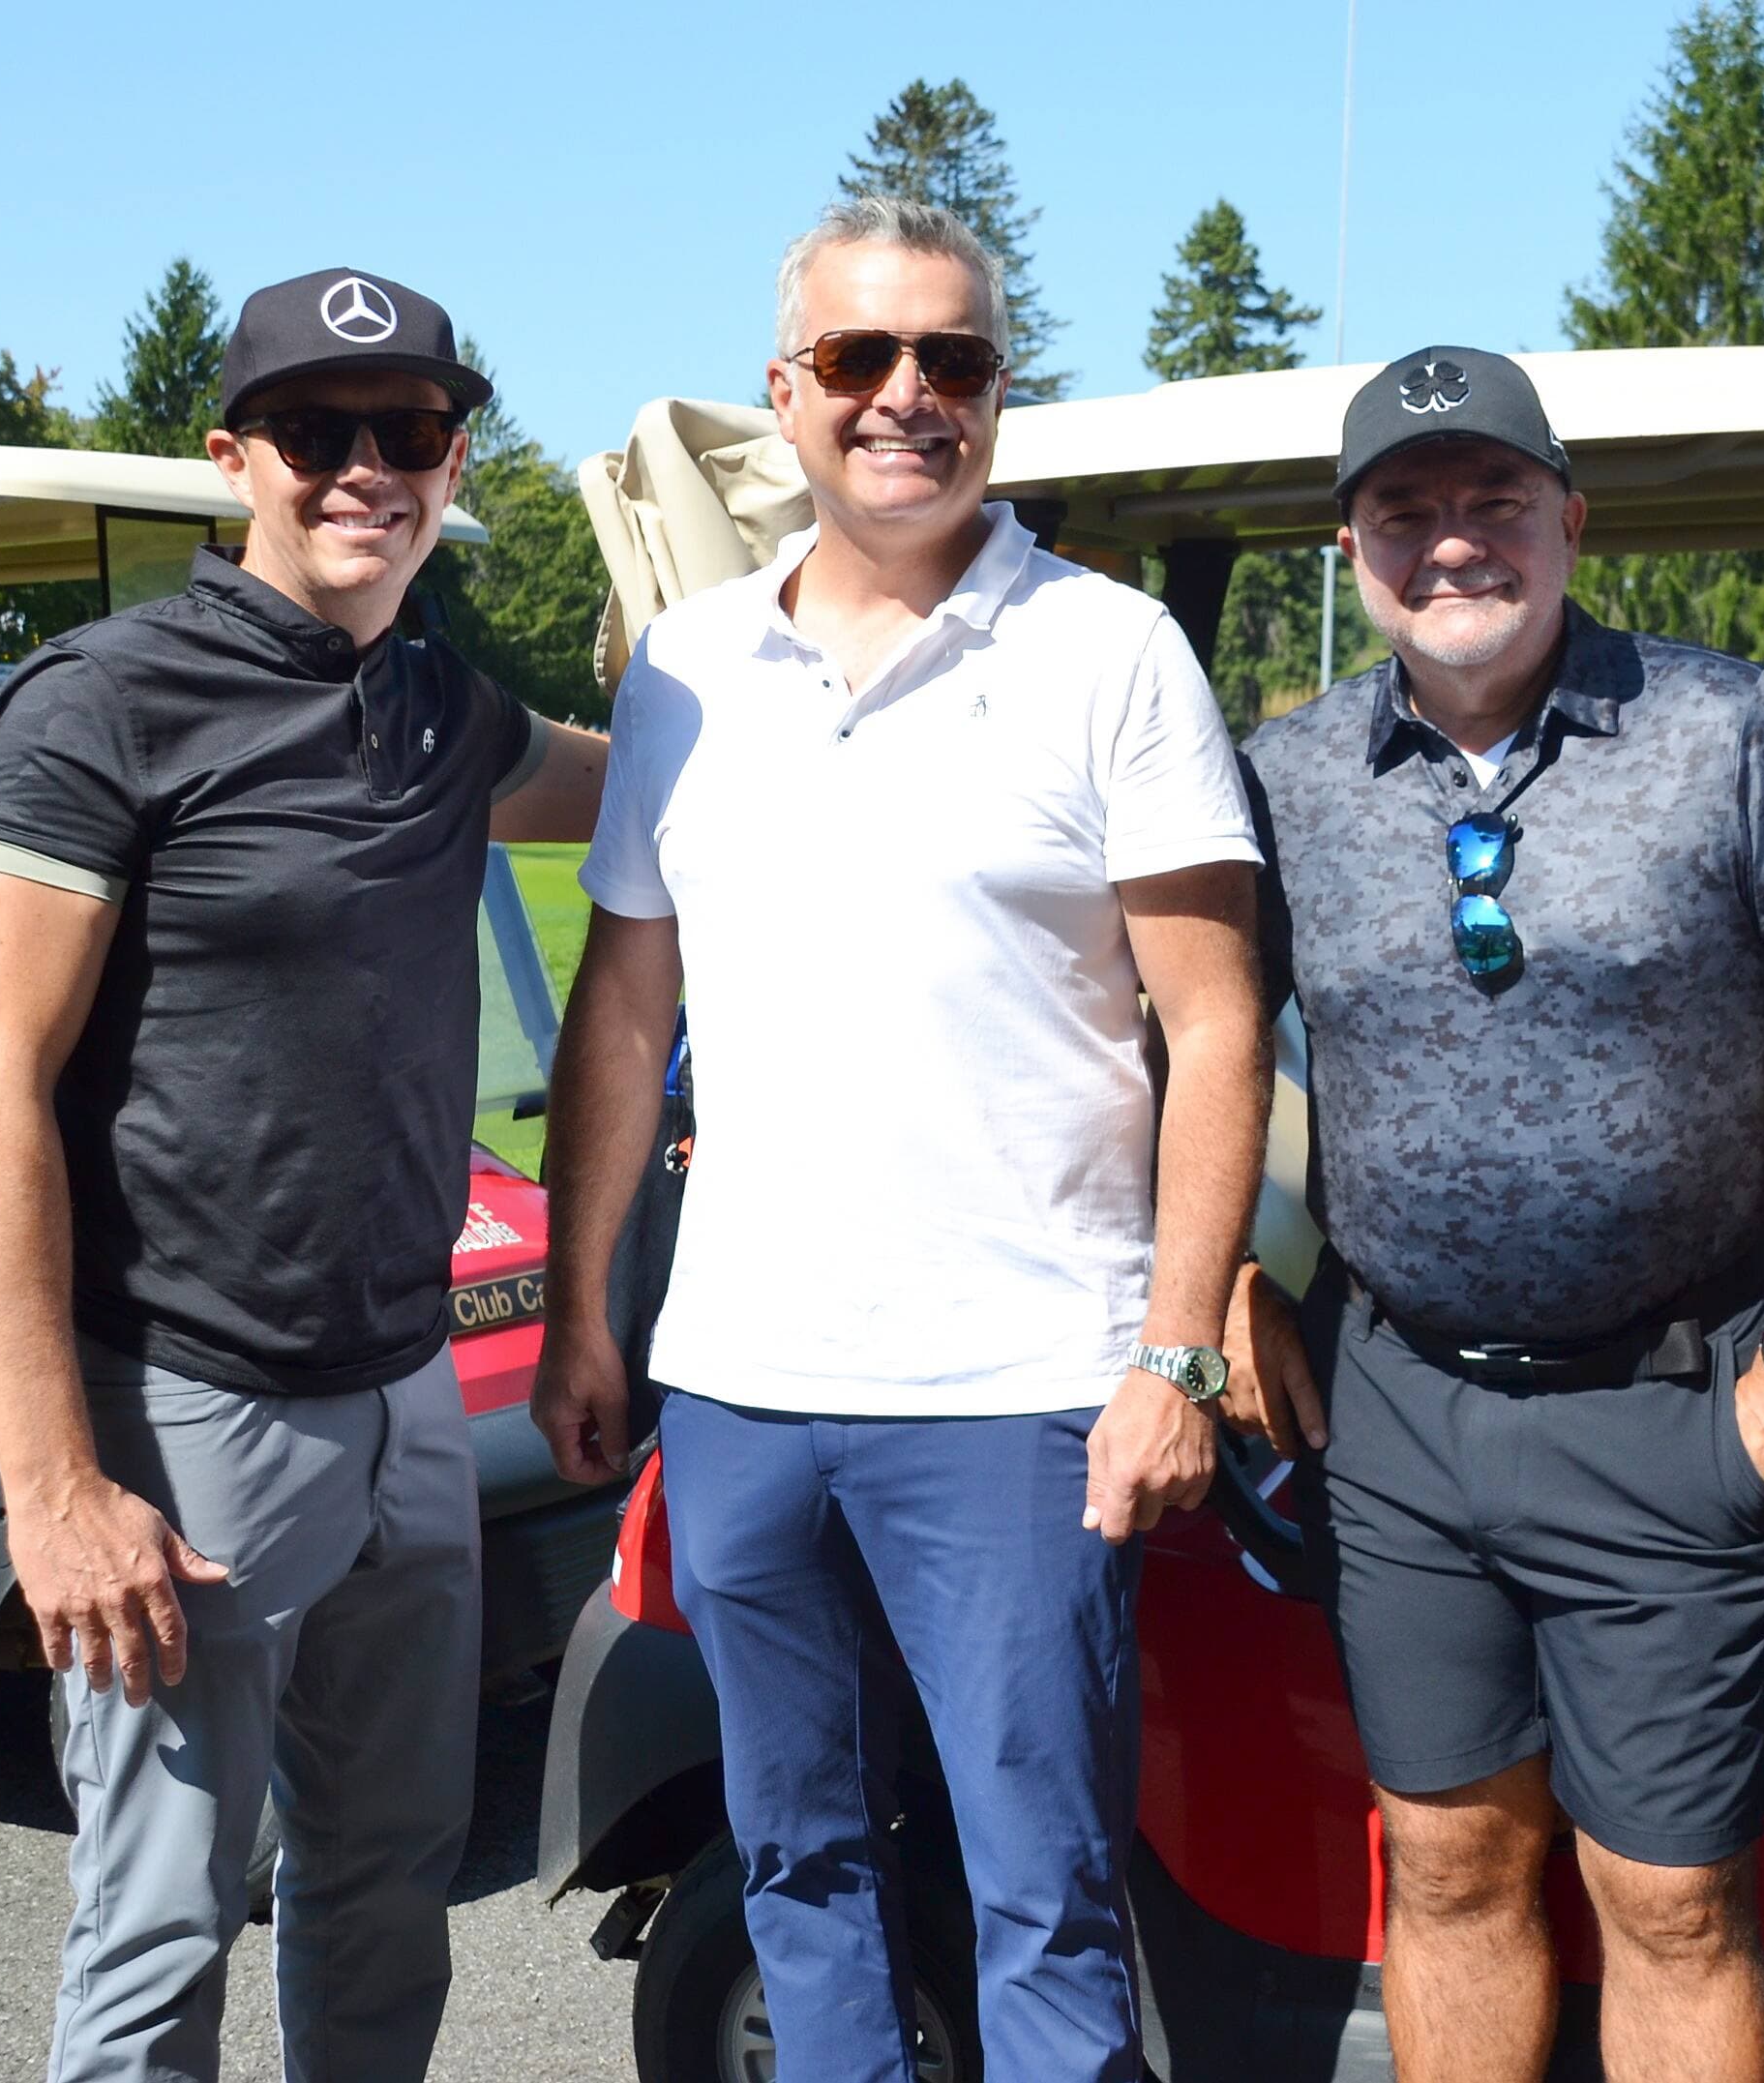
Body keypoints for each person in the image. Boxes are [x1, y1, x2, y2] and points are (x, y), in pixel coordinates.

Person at [530, 196, 1266, 2083]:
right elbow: (626, 1013)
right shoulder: (687, 674)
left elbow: (1214, 1020)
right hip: (747, 1390)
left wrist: (1175, 1349)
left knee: (1043, 1888)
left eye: (953, 359)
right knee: (797, 1860)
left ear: (999, 396)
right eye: (861, 359)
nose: (906, 396)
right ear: (788, 396)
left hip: (1019, 1395)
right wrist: (586, 1320)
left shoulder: (1109, 656)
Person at [0, 265, 607, 2083]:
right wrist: (53, 1484)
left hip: (402, 1388)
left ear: (453, 460)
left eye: (408, 434)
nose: (365, 470)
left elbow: (627, 789)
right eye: (318, 433)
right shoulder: (106, 703)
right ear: (235, 456)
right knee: (162, 1921)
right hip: (187, 1400)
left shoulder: (430, 703)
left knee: (388, 1888)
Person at [1228, 345, 1764, 2083]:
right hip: (1399, 1409)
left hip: (1675, 1401)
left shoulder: (1729, 735)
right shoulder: (1283, 778)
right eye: (1405, 511)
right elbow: (1198, 1045)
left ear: (1570, 520)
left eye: (1492, 502)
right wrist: (1227, 1269)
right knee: (1444, 1860)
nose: (1452, 544)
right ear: (1352, 547)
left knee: (1666, 1894)